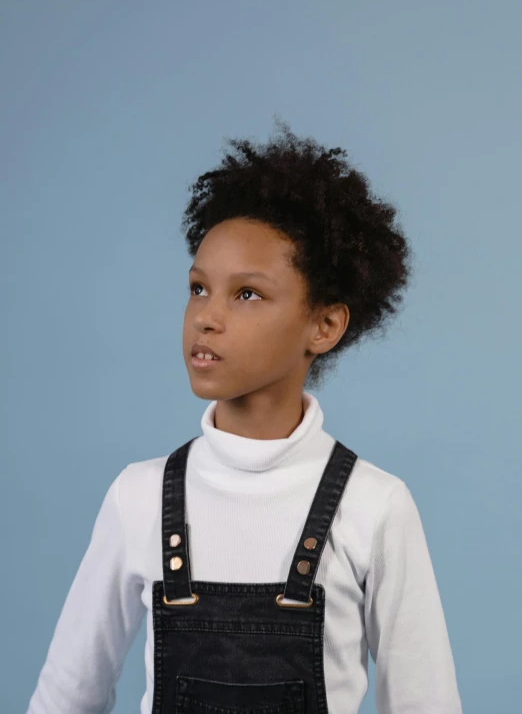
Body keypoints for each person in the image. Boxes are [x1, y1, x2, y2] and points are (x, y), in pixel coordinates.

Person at [26, 122, 462, 713]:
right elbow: (65, 697)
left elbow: (426, 703)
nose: (206, 317)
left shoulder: (375, 506)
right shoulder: (138, 497)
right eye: (198, 288)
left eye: (247, 294)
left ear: (324, 325)